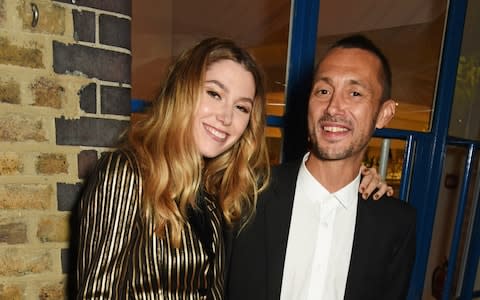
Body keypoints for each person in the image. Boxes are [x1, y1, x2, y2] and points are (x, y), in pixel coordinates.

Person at [75, 37, 392, 298]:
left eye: (241, 107)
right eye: (214, 93)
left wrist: (356, 184)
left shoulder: (221, 188)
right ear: (183, 91)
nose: (226, 118)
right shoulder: (128, 172)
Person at [226, 35, 416, 300]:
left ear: (384, 113)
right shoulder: (247, 193)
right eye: (323, 91)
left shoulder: (396, 223)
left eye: (355, 93)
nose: (334, 107)